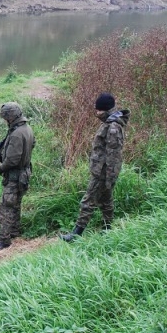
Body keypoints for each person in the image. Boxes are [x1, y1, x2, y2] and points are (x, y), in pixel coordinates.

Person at [61, 93, 130, 242]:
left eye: (99, 110)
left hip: (103, 172)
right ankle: (107, 229)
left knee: (88, 201)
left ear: (107, 110)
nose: (96, 113)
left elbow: (113, 155)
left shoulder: (112, 127)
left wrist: (110, 177)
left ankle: (76, 233)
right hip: (102, 170)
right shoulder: (108, 123)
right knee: (106, 200)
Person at [0, 102, 35, 251]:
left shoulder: (16, 134)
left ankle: (4, 239)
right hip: (24, 173)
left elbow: (13, 159)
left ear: (10, 117)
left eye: (5, 118)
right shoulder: (26, 129)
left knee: (6, 207)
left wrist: (2, 167)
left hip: (15, 176)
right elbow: (32, 144)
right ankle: (14, 230)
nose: (5, 121)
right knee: (16, 204)